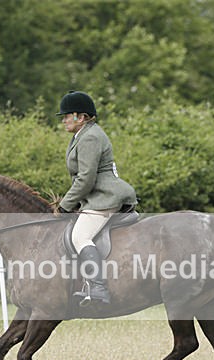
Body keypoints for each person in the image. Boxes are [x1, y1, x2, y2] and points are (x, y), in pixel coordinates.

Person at [55, 90, 138, 305]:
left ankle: (98, 288)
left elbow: (86, 179)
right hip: (97, 196)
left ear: (81, 117)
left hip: (105, 196)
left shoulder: (90, 136)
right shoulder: (82, 135)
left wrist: (65, 205)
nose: (63, 120)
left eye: (67, 115)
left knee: (80, 236)